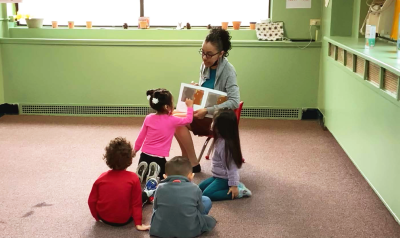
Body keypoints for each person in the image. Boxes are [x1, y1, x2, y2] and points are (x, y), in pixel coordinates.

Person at [175, 28, 240, 173]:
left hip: (215, 119)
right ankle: (189, 160)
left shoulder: (229, 71)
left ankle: (191, 163)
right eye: (203, 52)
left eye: (209, 54)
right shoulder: (204, 66)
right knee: (173, 117)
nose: (204, 57)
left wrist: (208, 110)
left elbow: (235, 101)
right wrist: (196, 89)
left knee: (176, 119)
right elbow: (207, 92)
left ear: (221, 54)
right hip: (201, 114)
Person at [88, 137, 149, 230]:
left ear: (107, 159)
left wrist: (96, 217)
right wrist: (138, 224)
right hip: (125, 220)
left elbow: (91, 201)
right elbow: (136, 203)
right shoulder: (133, 178)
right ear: (130, 160)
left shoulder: (101, 178)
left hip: (103, 218)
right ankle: (149, 194)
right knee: (143, 196)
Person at [134, 88, 194, 182]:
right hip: (159, 157)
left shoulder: (148, 118)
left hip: (144, 154)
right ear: (167, 106)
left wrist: (135, 150)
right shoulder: (173, 120)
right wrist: (189, 107)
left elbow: (141, 136)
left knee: (145, 164)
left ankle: (144, 172)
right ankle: (154, 175)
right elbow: (188, 120)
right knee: (165, 176)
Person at [150, 156, 216, 238]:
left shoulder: (159, 188)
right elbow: (201, 209)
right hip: (190, 231)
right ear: (191, 176)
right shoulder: (195, 188)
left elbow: (155, 207)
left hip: (160, 231)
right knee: (206, 200)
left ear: (165, 176)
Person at [199, 109, 251, 201]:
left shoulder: (225, 145)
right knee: (199, 188)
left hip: (224, 178)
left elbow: (232, 168)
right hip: (217, 176)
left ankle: (239, 191)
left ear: (222, 127)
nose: (212, 124)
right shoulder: (220, 139)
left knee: (207, 194)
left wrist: (233, 185)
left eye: (214, 122)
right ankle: (235, 185)